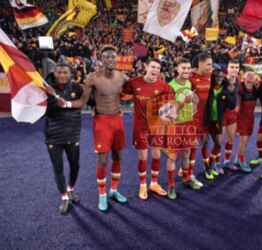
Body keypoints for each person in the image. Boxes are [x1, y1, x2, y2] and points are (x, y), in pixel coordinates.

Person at [60, 45, 128, 212]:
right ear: (101, 59)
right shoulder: (92, 78)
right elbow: (82, 102)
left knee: (118, 156)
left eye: (113, 56)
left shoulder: (122, 77)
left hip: (118, 120)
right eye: (107, 57)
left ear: (116, 58)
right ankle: (102, 195)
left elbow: (133, 93)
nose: (110, 59)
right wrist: (67, 103)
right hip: (102, 121)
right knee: (103, 160)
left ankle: (114, 190)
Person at [123, 58, 172, 200]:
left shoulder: (164, 86)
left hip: (157, 126)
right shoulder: (134, 83)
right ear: (146, 66)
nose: (155, 70)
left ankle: (154, 183)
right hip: (141, 127)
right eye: (153, 67)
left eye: (158, 68)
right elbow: (122, 94)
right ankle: (143, 185)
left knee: (157, 155)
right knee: (143, 157)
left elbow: (170, 106)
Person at [45, 63, 83, 215]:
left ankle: (71, 189)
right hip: (53, 136)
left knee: (75, 165)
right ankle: (64, 197)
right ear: (54, 73)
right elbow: (45, 111)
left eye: (65, 72)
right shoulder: (46, 90)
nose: (62, 75)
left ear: (70, 73)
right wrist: (53, 98)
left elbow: (86, 102)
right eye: (59, 72)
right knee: (58, 168)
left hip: (72, 134)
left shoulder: (77, 88)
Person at [166, 58, 202, 200]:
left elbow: (194, 100)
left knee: (187, 153)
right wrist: (182, 103)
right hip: (174, 125)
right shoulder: (170, 86)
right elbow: (167, 112)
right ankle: (171, 186)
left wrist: (194, 103)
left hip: (188, 123)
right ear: (177, 69)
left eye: (188, 68)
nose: (186, 71)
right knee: (172, 157)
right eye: (183, 68)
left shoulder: (189, 83)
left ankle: (186, 179)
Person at [189, 52, 217, 181]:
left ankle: (207, 167)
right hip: (193, 119)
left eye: (211, 64)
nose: (211, 67)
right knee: (192, 147)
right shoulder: (190, 78)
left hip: (206, 118)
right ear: (200, 64)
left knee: (205, 144)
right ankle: (189, 174)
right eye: (208, 64)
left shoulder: (212, 76)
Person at [236, 70, 260, 173]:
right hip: (242, 119)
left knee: (246, 141)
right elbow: (237, 100)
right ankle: (241, 160)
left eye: (252, 76)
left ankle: (238, 158)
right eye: (248, 75)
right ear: (243, 78)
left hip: (251, 118)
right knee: (243, 141)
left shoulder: (256, 88)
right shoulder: (240, 88)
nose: (250, 77)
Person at [222, 59, 240, 170]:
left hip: (232, 114)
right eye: (232, 67)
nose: (234, 69)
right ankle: (214, 164)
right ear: (227, 68)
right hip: (221, 114)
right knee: (218, 142)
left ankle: (227, 161)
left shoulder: (238, 81)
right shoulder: (221, 80)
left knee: (231, 140)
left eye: (236, 67)